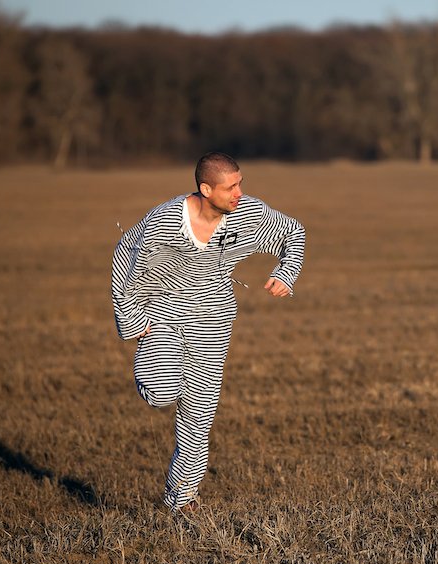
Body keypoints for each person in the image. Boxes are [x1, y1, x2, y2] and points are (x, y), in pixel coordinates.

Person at [111, 151, 305, 512]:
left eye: (240, 183)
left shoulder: (249, 214)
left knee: (199, 415)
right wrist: (133, 321)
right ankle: (161, 370)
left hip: (213, 322)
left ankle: (181, 500)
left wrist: (285, 273)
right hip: (163, 314)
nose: (239, 193)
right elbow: (124, 256)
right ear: (205, 188)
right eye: (231, 187)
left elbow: (294, 232)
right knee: (161, 391)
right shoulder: (164, 221)